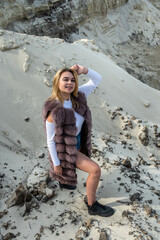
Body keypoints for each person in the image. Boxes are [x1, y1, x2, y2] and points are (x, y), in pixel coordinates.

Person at [42, 64, 114, 217]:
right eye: (65, 79)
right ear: (57, 82)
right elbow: (50, 141)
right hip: (67, 149)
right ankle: (91, 205)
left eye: (73, 80)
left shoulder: (79, 95)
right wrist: (56, 164)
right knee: (95, 170)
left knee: (81, 168)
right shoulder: (54, 109)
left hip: (79, 140)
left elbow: (97, 79)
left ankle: (65, 181)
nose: (70, 83)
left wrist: (84, 70)